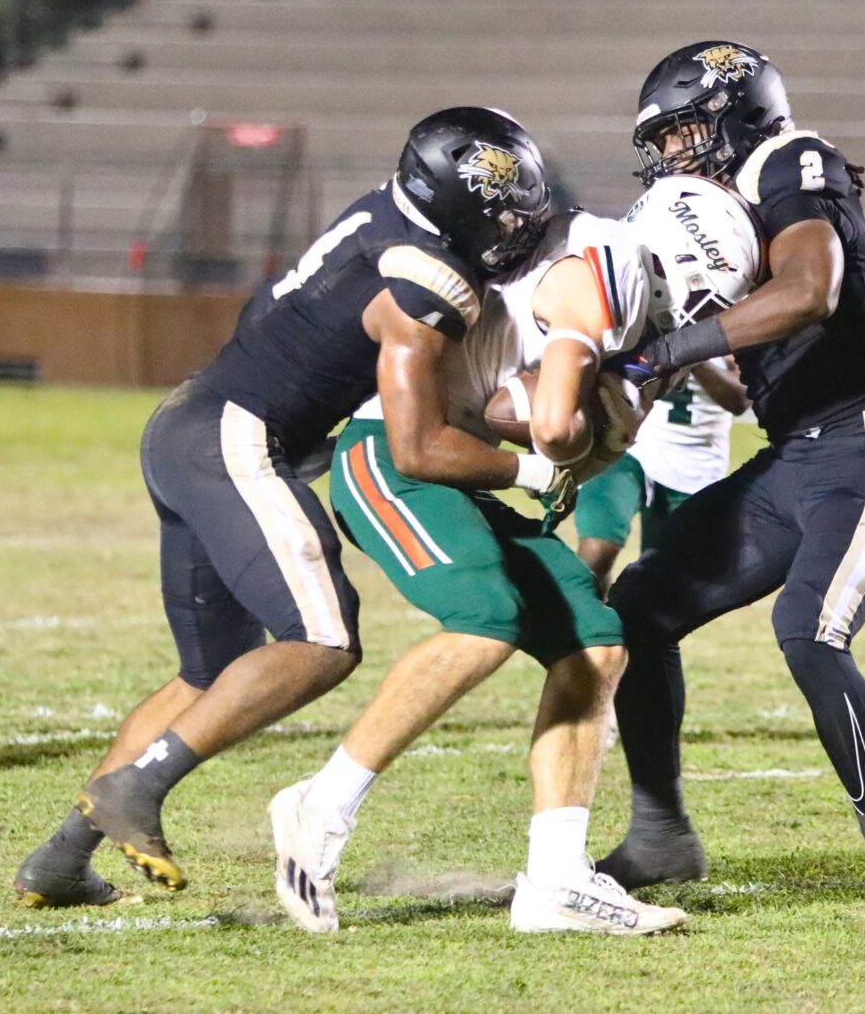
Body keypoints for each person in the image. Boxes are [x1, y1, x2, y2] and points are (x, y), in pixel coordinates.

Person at [13, 106, 571, 909]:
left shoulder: (379, 214)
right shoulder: (427, 279)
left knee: (207, 674)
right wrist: (527, 467)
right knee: (322, 637)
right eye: (501, 213)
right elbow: (418, 449)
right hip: (233, 439)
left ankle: (61, 860)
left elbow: (266, 311)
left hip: (189, 422)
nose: (516, 228)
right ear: (451, 202)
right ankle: (143, 786)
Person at [266, 185, 723, 935]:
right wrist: (570, 446)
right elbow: (538, 418)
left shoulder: (622, 280)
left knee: (597, 644)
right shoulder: (611, 269)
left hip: (463, 460)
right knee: (487, 618)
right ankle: (322, 804)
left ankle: (555, 881)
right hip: (397, 455)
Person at [596, 41, 865, 931]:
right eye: (662, 141)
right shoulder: (727, 211)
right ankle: (660, 832)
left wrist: (659, 352)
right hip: (792, 452)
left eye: (683, 132)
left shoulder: (788, 161)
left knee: (810, 630)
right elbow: (733, 373)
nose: (673, 156)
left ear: (736, 113)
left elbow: (811, 292)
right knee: (639, 604)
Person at [575, 359, 750, 596]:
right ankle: (590, 628)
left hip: (694, 466)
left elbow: (740, 398)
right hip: (628, 446)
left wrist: (694, 351)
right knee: (595, 551)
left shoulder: (726, 325)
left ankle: (628, 629)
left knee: (661, 586)